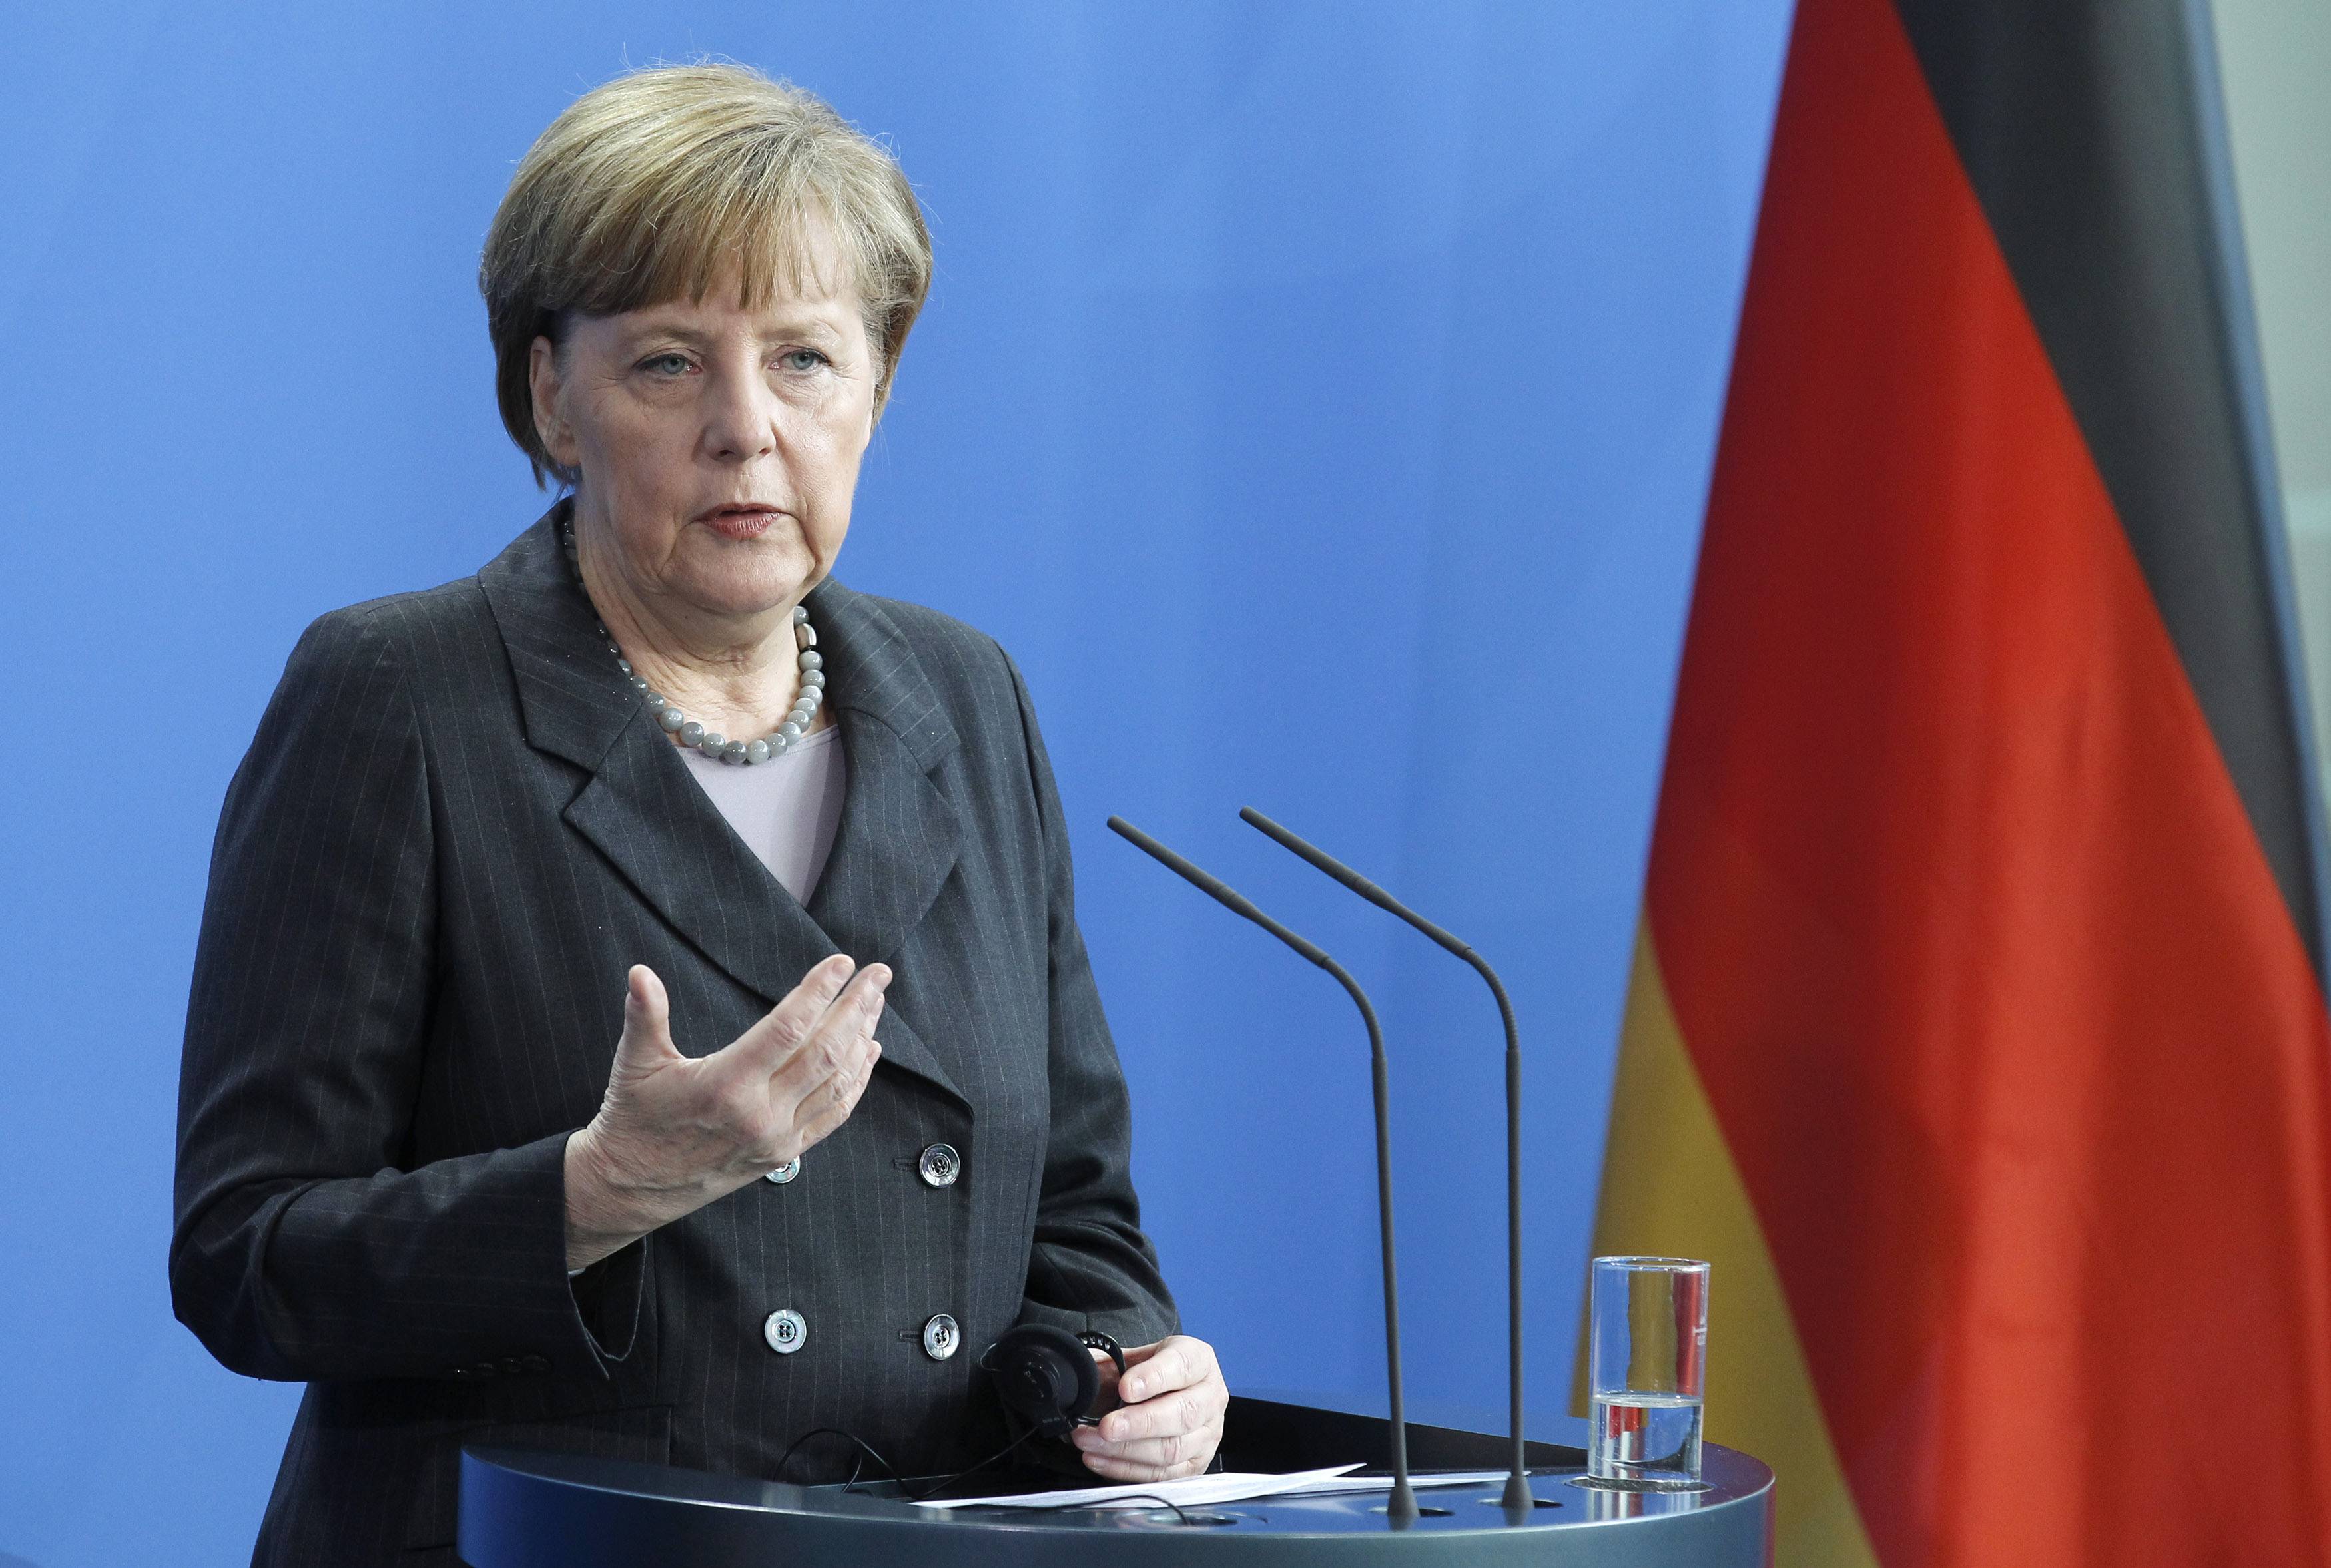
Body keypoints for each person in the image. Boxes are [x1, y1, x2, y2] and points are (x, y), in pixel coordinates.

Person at [170, 63, 1227, 1566]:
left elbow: (1078, 1219)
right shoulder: (403, 695)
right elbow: (245, 1256)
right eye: (669, 362)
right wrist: (596, 1191)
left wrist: (1125, 1374)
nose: (746, 428)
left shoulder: (962, 696)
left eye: (803, 358)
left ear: (878, 387)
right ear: (552, 393)